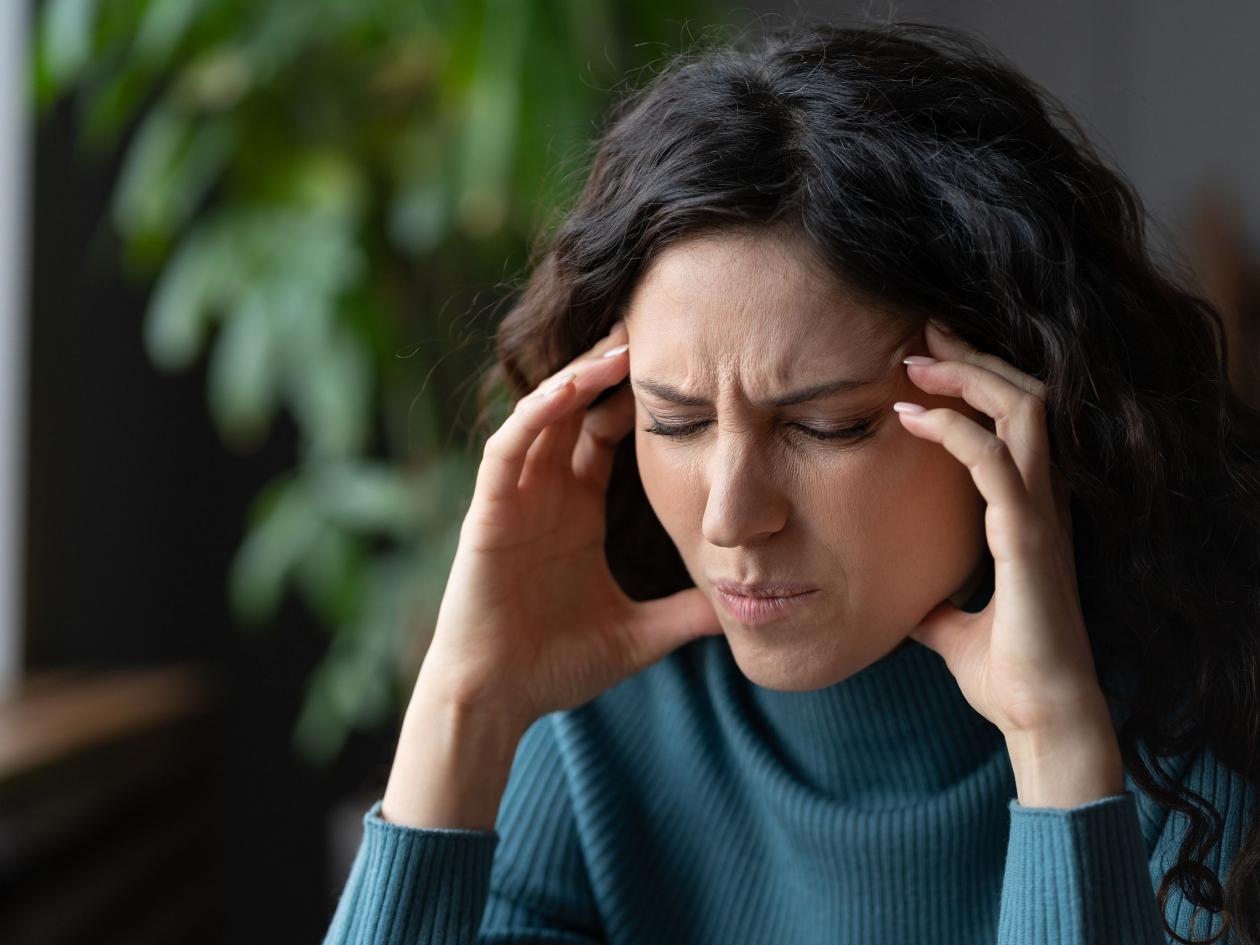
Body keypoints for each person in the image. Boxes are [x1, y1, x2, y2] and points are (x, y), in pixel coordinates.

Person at [321, 18, 1260, 945]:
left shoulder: (1194, 744)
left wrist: (1058, 745)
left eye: (826, 425)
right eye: (676, 421)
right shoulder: (593, 732)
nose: (733, 515)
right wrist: (463, 708)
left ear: (1008, 405)